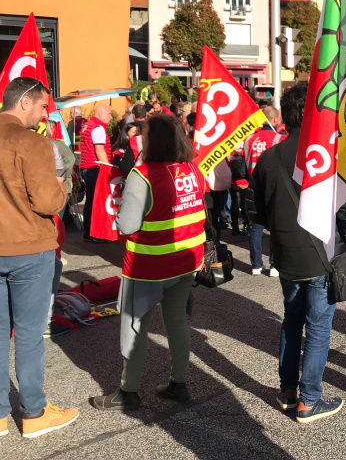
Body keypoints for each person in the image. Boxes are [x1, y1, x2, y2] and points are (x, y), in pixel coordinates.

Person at [253, 82, 346, 423]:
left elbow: (255, 213)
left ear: (287, 114)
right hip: (321, 255)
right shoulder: (327, 155)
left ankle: (288, 391)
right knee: (318, 328)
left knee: (291, 321)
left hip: (285, 255)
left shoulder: (268, 158)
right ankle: (309, 400)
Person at [92, 114, 206, 411]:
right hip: (186, 260)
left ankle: (129, 391)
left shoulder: (142, 175)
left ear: (149, 141)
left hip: (148, 265)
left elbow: (128, 225)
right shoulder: (192, 168)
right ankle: (179, 383)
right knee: (177, 321)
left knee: (135, 327)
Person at [0, 77, 79, 438]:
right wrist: (63, 191)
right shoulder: (32, 142)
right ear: (25, 102)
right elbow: (47, 202)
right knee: (29, 335)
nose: (45, 113)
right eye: (43, 106)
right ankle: (34, 412)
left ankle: (0, 415)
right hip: (29, 248)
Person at [245, 106, 286, 276]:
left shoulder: (249, 140)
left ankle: (255, 265)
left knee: (256, 226)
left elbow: (245, 165)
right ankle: (274, 265)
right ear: (275, 119)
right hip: (274, 187)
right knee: (275, 226)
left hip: (254, 185)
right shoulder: (280, 139)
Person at [79, 105, 113, 242]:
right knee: (97, 202)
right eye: (109, 114)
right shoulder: (98, 128)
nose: (111, 117)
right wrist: (108, 169)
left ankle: (88, 232)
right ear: (101, 114)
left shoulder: (87, 125)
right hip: (95, 168)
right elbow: (100, 151)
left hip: (87, 166)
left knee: (90, 201)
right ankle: (96, 234)